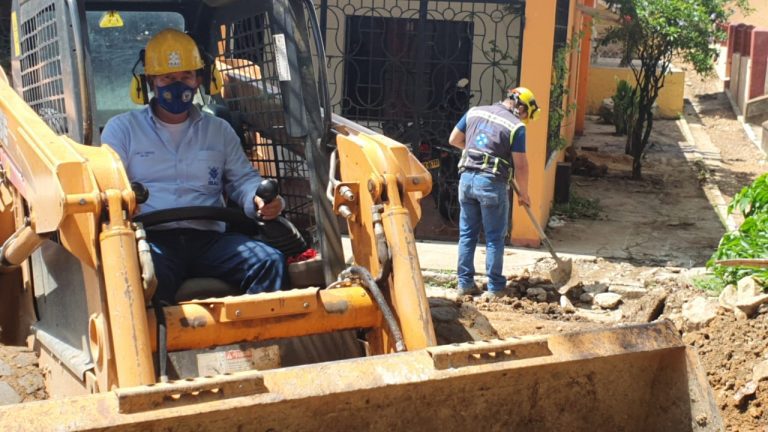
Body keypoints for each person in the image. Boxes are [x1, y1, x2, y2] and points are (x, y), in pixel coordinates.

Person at [101, 28, 285, 304]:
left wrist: (259, 199)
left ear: (199, 79)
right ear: (150, 82)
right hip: (151, 239)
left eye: (186, 76)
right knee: (141, 275)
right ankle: (157, 333)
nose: (178, 85)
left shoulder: (219, 131)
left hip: (208, 240)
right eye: (167, 77)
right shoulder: (122, 130)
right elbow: (110, 187)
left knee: (269, 261)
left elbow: (242, 181)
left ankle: (258, 332)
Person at [448, 87, 540, 300]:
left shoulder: (474, 112)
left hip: (466, 180)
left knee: (467, 234)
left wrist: (477, 154)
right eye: (526, 114)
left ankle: (464, 284)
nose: (524, 118)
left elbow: (454, 139)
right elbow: (521, 165)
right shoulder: (516, 126)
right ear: (521, 106)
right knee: (494, 238)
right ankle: (495, 288)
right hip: (491, 184)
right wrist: (524, 193)